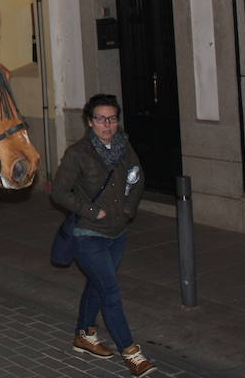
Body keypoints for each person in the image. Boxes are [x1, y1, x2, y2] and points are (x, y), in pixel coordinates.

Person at [51, 93, 156, 377]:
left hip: (117, 232)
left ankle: (84, 335)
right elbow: (59, 192)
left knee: (98, 285)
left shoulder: (124, 146)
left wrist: (128, 208)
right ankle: (132, 353)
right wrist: (91, 211)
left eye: (112, 118)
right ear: (89, 121)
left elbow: (138, 178)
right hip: (88, 233)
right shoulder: (78, 153)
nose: (107, 125)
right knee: (110, 292)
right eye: (100, 119)